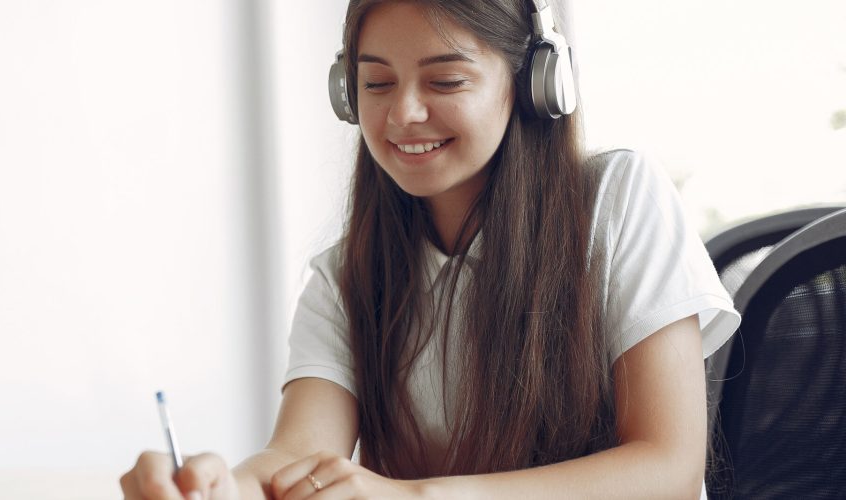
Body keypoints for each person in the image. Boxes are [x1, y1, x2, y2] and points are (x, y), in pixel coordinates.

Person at [122, 0, 740, 498]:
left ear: (531, 85)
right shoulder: (346, 275)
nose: (403, 113)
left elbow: (669, 470)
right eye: (376, 82)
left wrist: (417, 497)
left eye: (444, 79)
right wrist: (220, 488)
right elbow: (299, 457)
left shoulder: (618, 200)